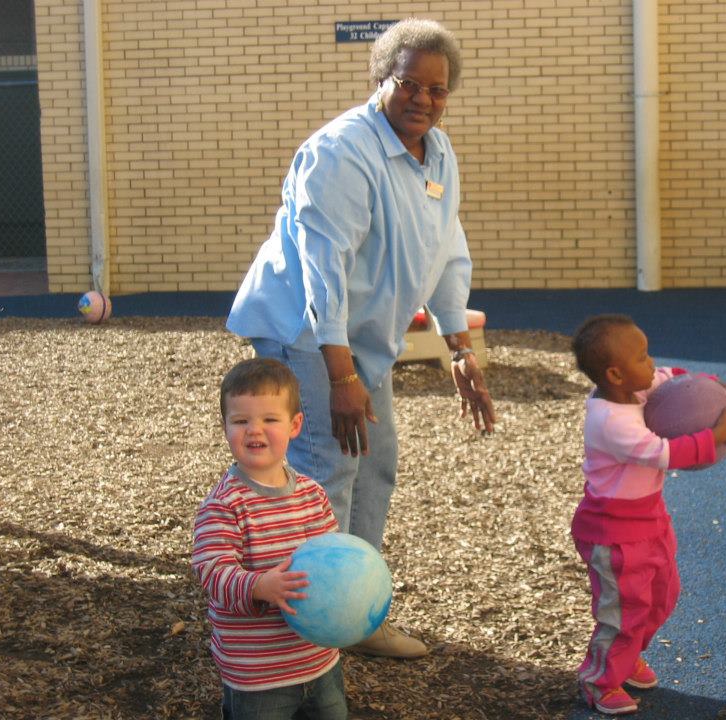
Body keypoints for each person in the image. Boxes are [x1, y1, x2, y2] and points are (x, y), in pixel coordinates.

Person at [226, 18, 496, 659]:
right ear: (381, 79)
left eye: (437, 89)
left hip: (361, 339)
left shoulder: (439, 152)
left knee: (374, 464)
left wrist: (459, 348)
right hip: (307, 333)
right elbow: (326, 269)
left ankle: (356, 612)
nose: (423, 99)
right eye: (409, 84)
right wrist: (342, 376)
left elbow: (447, 250)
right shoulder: (341, 152)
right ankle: (309, 620)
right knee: (329, 466)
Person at [569, 315, 726, 715]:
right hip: (612, 534)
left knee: (663, 595)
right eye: (642, 357)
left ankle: (626, 658)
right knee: (624, 611)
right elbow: (663, 452)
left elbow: (668, 379)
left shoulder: (634, 389)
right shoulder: (609, 421)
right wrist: (713, 437)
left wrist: (709, 388)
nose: (652, 364)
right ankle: (598, 680)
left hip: (649, 520)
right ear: (614, 373)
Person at [192, 358, 348, 720]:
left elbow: (333, 556)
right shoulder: (224, 505)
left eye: (269, 419)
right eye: (241, 420)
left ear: (295, 425)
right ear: (225, 427)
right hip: (258, 671)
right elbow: (212, 573)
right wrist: (261, 586)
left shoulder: (311, 493)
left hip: (318, 659)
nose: (254, 430)